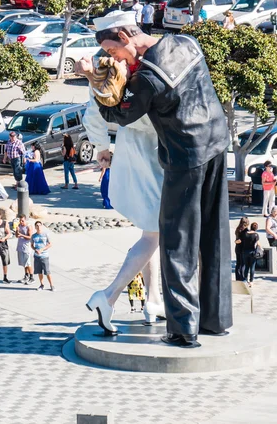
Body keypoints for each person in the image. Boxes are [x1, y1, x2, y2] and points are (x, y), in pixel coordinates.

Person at [80, 11, 233, 347]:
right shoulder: (185, 42)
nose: (114, 58)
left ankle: (182, 330)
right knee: (214, 234)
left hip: (185, 156)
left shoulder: (148, 77)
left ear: (124, 35)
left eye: (113, 51)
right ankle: (216, 319)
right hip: (218, 143)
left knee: (177, 242)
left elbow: (118, 113)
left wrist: (94, 79)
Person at [81, 38, 165, 333]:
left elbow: (92, 114)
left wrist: (103, 148)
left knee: (151, 231)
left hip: (132, 155)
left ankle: (153, 299)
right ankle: (109, 295)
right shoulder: (137, 77)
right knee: (154, 234)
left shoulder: (107, 79)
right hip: (153, 158)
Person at [31, 221, 54, 291]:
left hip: (44, 256)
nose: (38, 227)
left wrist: (42, 249)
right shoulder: (33, 236)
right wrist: (35, 249)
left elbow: (50, 244)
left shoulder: (45, 234)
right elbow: (32, 245)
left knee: (47, 271)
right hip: (37, 256)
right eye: (37, 226)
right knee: (39, 272)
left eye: (40, 225)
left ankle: (51, 285)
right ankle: (41, 284)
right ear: (35, 227)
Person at [16, 215, 34, 284]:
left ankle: (31, 277)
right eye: (20, 220)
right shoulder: (19, 225)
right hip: (20, 246)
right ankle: (26, 276)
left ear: (25, 220)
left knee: (28, 263)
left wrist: (22, 235)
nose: (21, 222)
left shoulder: (28, 226)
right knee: (24, 263)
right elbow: (17, 236)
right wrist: (17, 231)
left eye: (22, 221)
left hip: (27, 247)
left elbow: (30, 237)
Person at [242, 222, 260, 288]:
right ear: (256, 228)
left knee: (246, 266)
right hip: (252, 252)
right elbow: (258, 243)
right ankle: (251, 281)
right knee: (252, 267)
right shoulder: (256, 235)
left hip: (245, 252)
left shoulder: (245, 234)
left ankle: (245, 280)